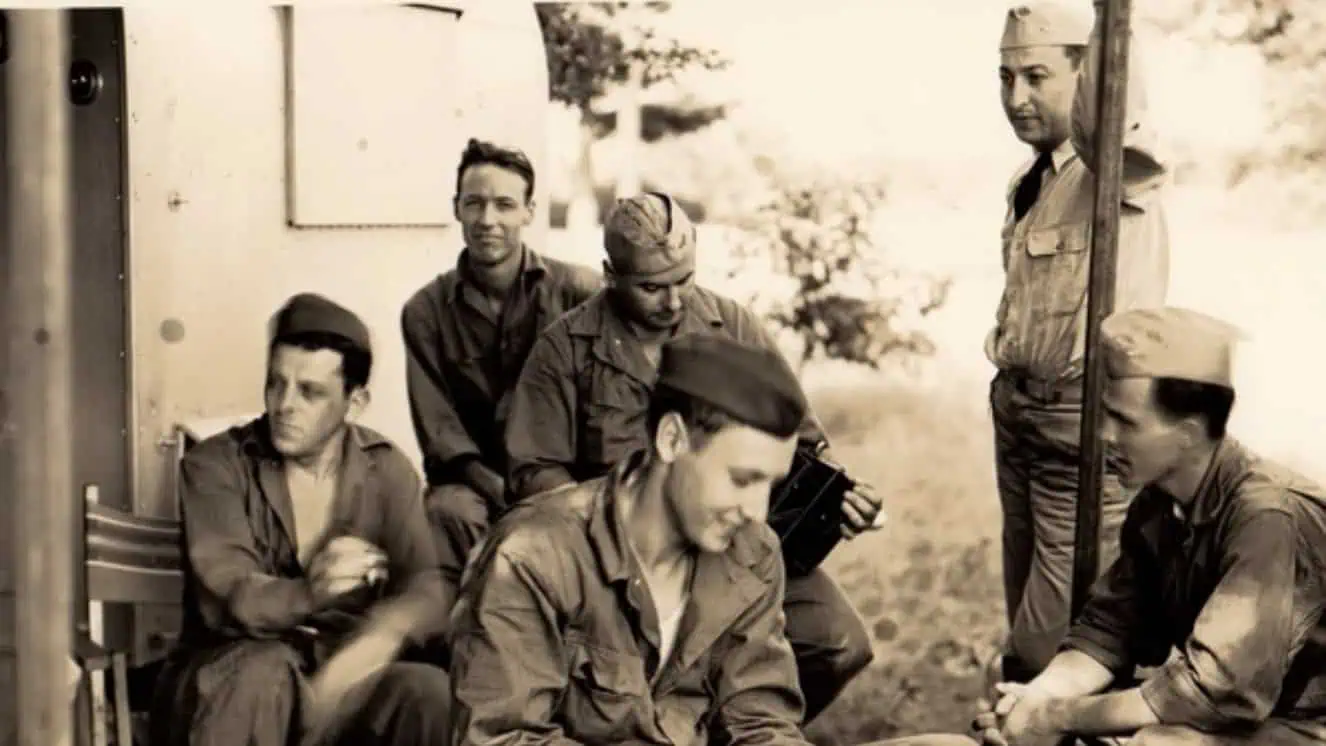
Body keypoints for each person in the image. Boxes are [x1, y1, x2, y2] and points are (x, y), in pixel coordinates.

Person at [449, 334, 976, 746]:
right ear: (672, 438)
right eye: (742, 479)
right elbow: (501, 736)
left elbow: (760, 722)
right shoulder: (532, 555)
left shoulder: (753, 552)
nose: (756, 512)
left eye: (770, 485)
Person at [501, 191, 883, 721]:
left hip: (733, 544)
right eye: (653, 287)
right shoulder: (565, 349)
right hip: (620, 565)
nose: (674, 302)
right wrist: (613, 538)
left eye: (684, 279)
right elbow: (534, 473)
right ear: (610, 274)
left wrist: (837, 497)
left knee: (838, 644)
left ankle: (733, 728)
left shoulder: (733, 327)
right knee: (627, 682)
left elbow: (799, 439)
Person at [973, 306, 1326, 746]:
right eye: (1106, 413)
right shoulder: (1159, 505)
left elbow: (1211, 691)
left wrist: (1062, 717)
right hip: (1241, 721)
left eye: (1125, 421)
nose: (1103, 433)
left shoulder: (1267, 517)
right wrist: (1036, 700)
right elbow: (1110, 628)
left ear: (1190, 433)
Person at [151, 293, 451, 746]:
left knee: (429, 695)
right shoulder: (214, 466)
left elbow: (427, 584)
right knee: (262, 672)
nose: (284, 405)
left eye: (310, 392)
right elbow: (231, 595)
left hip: (337, 674)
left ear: (355, 402)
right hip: (232, 677)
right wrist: (310, 592)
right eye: (276, 384)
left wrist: (382, 636)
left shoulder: (386, 469)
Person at [986, 0, 1171, 678]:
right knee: (1027, 609)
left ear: (1088, 74)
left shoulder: (1117, 173)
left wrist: (1107, 20)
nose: (1016, 97)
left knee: (1053, 638)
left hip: (1081, 422)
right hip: (1017, 413)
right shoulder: (1033, 178)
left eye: (1036, 76)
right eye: (1005, 78)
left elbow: (1110, 119)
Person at [401, 138, 600, 625]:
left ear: (530, 211)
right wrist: (503, 491)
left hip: (563, 479)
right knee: (446, 512)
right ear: (457, 209)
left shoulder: (579, 294)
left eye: (505, 204)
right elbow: (442, 435)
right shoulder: (426, 312)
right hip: (477, 487)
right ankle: (466, 645)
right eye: (475, 203)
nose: (488, 219)